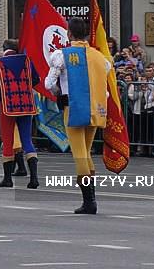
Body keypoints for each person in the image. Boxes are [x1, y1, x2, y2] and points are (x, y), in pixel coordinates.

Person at [45, 16, 111, 215]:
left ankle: (89, 201)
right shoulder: (100, 58)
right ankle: (90, 199)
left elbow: (49, 84)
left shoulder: (62, 55)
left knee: (79, 154)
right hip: (96, 109)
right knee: (87, 152)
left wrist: (59, 94)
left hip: (73, 107)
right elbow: (105, 89)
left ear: (69, 33)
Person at [0, 39, 41, 189]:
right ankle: (34, 178)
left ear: (4, 49)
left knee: (8, 141)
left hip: (7, 106)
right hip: (26, 104)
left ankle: (7, 179)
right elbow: (36, 79)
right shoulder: (27, 61)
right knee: (27, 140)